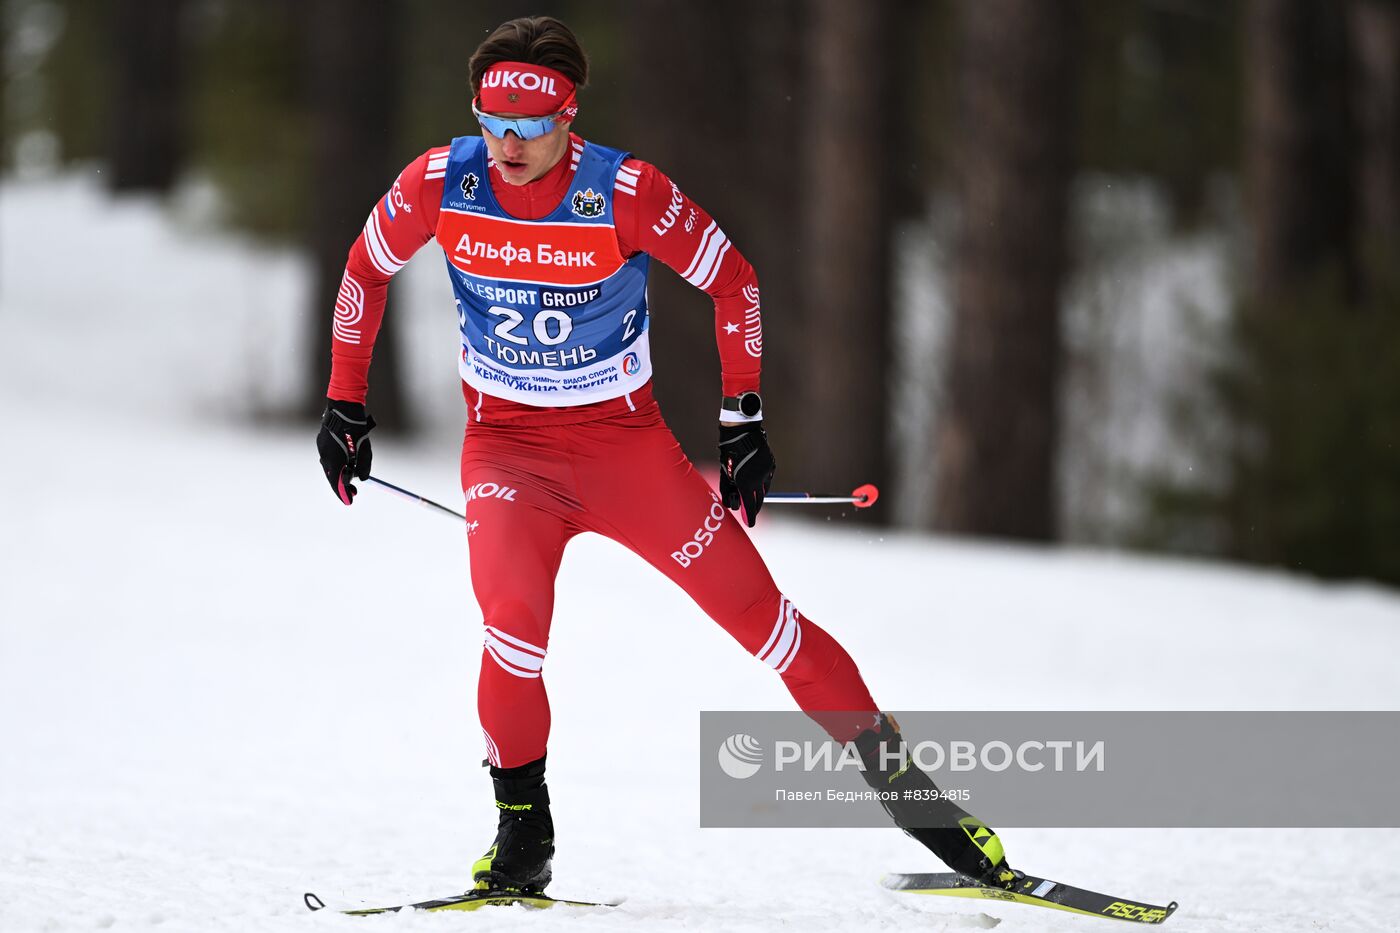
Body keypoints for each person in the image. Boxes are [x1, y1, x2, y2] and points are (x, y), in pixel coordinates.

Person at [315, 15, 1015, 896]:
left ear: (569, 117)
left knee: (771, 627)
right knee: (512, 627)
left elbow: (735, 280)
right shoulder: (439, 182)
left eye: (530, 126)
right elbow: (362, 270)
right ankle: (523, 835)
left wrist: (742, 423)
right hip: (509, 457)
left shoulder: (625, 192)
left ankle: (931, 813)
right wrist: (345, 403)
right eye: (492, 122)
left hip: (627, 453)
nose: (508, 144)